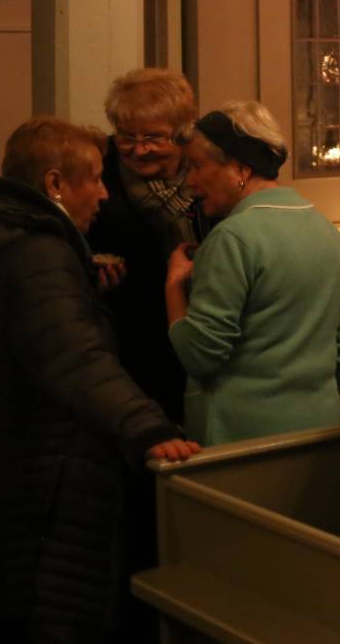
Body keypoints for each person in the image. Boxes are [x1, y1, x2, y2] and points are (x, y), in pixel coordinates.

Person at [0, 118, 199, 643]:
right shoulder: (40, 253)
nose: (104, 193)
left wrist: (85, 294)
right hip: (46, 468)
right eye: (95, 178)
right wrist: (149, 426)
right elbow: (73, 357)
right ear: (54, 183)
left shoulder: (6, 235)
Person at [164, 102, 340, 445]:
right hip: (318, 433)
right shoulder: (328, 233)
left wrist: (174, 287)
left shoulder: (232, 239)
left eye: (197, 166)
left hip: (238, 438)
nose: (190, 181)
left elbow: (200, 355)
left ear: (240, 168)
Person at [87, 68, 204, 424]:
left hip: (206, 329)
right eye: (126, 137)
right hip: (134, 339)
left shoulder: (208, 171)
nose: (139, 150)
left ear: (183, 132)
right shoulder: (99, 174)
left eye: (154, 137)